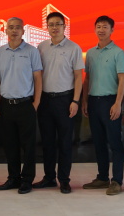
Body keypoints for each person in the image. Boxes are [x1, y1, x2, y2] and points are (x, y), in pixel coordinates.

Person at [34, 12, 83, 194]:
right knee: (47, 142)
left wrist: (75, 100)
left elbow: (78, 77)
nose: (54, 27)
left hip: (65, 100)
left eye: (58, 24)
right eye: (51, 24)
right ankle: (49, 177)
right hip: (45, 100)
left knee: (64, 142)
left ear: (64, 26)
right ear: (47, 27)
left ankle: (64, 179)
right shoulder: (41, 47)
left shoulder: (74, 48)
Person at [0, 17, 42, 195]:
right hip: (6, 105)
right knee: (10, 145)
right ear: (6, 30)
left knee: (28, 146)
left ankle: (27, 180)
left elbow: (38, 78)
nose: (14, 31)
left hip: (25, 104)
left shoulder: (32, 51)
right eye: (11, 27)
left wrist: (36, 103)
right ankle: (13, 178)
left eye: (17, 28)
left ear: (23, 31)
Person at [82, 15, 124, 195]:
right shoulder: (90, 53)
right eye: (99, 27)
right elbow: (87, 79)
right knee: (99, 142)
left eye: (105, 27)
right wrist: (85, 100)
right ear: (95, 29)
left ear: (112, 30)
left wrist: (118, 103)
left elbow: (122, 80)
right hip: (94, 101)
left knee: (115, 142)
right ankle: (102, 178)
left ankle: (116, 181)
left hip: (111, 101)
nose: (101, 30)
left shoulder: (118, 53)